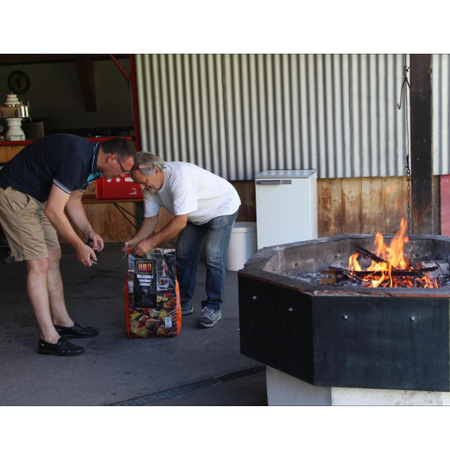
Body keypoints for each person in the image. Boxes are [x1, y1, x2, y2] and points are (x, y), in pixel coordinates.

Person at [0, 134, 136, 356]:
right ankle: (49, 338)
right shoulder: (77, 158)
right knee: (39, 264)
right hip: (14, 195)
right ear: (112, 159)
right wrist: (79, 245)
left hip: (38, 199)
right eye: (123, 170)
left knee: (53, 256)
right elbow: (54, 210)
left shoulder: (92, 164)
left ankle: (63, 322)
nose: (122, 175)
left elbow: (72, 201)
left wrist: (89, 232)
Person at [122, 151, 241, 328]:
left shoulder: (179, 177)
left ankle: (213, 307)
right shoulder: (150, 187)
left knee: (214, 255)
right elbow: (150, 219)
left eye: (143, 182)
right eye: (138, 182)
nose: (141, 187)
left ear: (155, 171)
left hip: (221, 207)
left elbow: (179, 222)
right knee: (184, 252)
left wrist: (150, 242)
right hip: (194, 214)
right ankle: (184, 302)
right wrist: (137, 239)